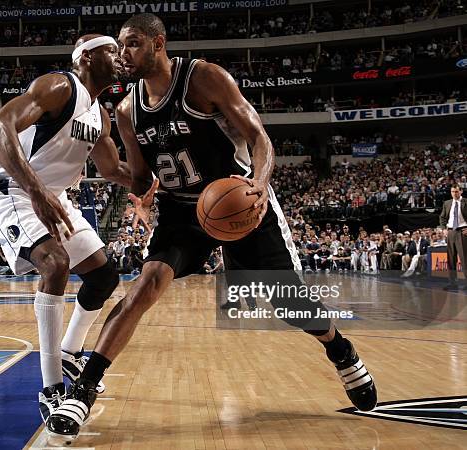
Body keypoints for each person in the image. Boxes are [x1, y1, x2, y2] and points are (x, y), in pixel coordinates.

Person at [53, 14, 377, 439]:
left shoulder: (203, 78)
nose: (124, 54)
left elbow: (260, 139)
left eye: (132, 44)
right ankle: (84, 390)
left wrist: (259, 185)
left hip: (237, 202)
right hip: (180, 212)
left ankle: (339, 348)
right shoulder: (128, 109)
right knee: (145, 285)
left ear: (158, 43)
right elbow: (139, 178)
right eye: (120, 45)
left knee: (289, 306)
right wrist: (96, 155)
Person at [0, 34, 131, 434]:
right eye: (112, 50)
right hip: (7, 189)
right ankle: (51, 387)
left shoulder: (101, 115)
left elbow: (113, 170)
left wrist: (164, 183)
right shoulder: (59, 85)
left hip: (50, 195)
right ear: (88, 57)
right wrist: (35, 190)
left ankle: (70, 352)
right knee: (56, 264)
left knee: (103, 276)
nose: (120, 57)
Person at [439, 184, 467, 290]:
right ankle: (452, 283)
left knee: (464, 258)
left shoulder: (466, 202)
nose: (454, 194)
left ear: (461, 192)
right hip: (450, 232)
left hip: (462, 232)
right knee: (451, 259)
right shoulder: (447, 203)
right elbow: (442, 218)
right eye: (452, 192)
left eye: (456, 191)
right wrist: (444, 229)